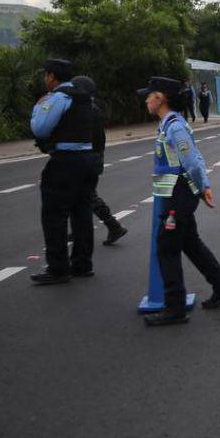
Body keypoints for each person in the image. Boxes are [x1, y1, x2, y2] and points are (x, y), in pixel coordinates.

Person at [138, 76, 220, 326]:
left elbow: (192, 160)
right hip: (176, 194)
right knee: (191, 244)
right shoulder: (168, 124)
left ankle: (174, 308)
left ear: (160, 98)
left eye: (149, 95)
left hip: (179, 195)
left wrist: (204, 187)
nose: (146, 100)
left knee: (166, 248)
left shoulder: (174, 126)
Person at [30, 59, 98, 285]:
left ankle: (58, 268)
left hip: (65, 160)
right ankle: (82, 263)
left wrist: (38, 107)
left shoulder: (58, 98)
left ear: (52, 76)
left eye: (45, 75)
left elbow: (40, 128)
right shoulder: (84, 98)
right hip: (88, 159)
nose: (44, 79)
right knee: (82, 213)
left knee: (54, 215)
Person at [71, 75, 128, 246]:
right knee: (78, 195)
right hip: (92, 157)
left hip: (89, 158)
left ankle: (113, 225)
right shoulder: (90, 108)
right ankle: (79, 229)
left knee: (88, 195)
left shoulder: (88, 110)